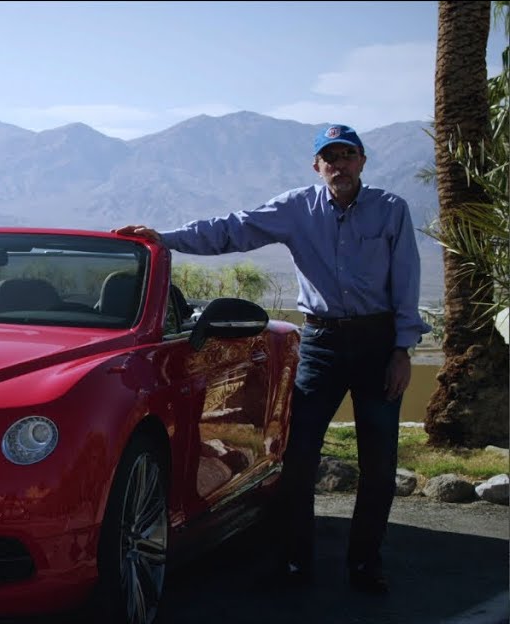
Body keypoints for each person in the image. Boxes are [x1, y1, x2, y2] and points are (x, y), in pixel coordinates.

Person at [112, 124, 430, 595]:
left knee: (379, 464)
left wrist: (403, 351)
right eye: (330, 158)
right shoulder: (297, 208)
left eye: (347, 156)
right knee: (297, 458)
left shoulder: (391, 211)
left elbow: (406, 280)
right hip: (321, 345)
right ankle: (296, 562)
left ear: (362, 162)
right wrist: (165, 238)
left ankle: (365, 563)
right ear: (317, 166)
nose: (339, 165)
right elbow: (232, 230)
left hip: (378, 344)